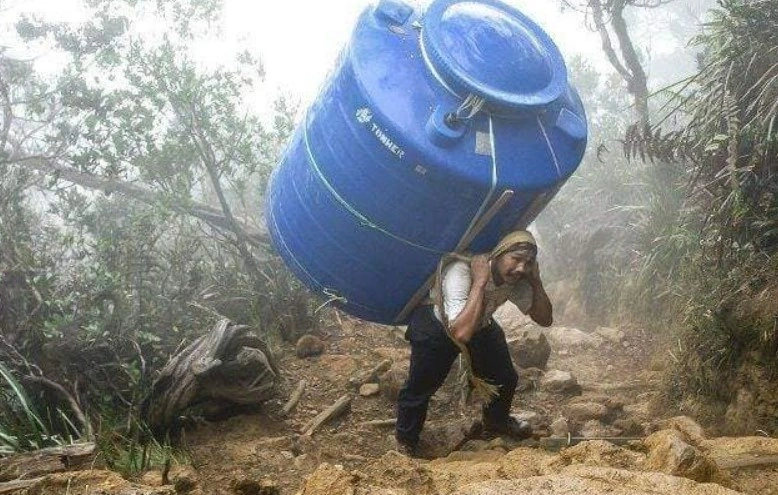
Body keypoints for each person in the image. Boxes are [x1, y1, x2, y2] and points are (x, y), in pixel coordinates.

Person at [395, 230, 553, 456]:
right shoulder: (461, 272)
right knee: (421, 386)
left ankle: (496, 423)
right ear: (498, 255)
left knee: (505, 377)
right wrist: (479, 282)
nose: (521, 268)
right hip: (439, 325)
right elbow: (460, 333)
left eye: (528, 263)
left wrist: (536, 281)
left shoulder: (515, 278)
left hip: (478, 323)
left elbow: (545, 319)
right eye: (516, 259)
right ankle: (406, 440)